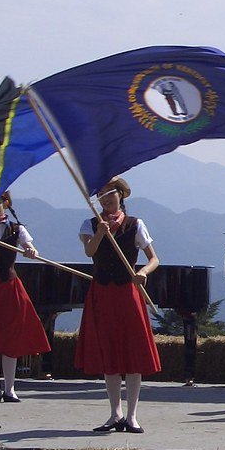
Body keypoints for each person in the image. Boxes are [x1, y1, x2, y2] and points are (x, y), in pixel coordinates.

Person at [76, 177, 161, 433]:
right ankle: (115, 414)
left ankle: (132, 415)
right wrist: (101, 233)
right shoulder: (90, 224)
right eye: (101, 194)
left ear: (121, 195)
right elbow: (89, 252)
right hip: (102, 293)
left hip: (127, 293)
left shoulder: (136, 224)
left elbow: (154, 258)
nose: (106, 198)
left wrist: (144, 272)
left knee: (133, 352)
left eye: (110, 193)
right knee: (108, 353)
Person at [0, 191, 50, 403]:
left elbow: (31, 248)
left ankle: (10, 388)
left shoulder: (17, 228)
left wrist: (31, 251)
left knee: (10, 337)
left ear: (5, 203)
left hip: (9, 287)